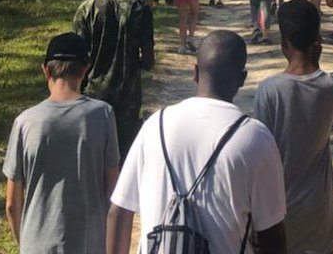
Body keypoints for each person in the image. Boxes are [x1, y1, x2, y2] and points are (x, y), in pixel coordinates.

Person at [107, 31, 288, 254]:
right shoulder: (255, 138)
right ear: (242, 79)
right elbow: (271, 233)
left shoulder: (155, 126)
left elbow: (119, 211)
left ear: (195, 72)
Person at [3, 32, 119, 254]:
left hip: (37, 245)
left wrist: (25, 243)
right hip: (89, 244)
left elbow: (11, 203)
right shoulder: (103, 115)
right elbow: (113, 190)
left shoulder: (25, 122)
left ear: (45, 70)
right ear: (85, 70)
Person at [255, 0, 333, 254]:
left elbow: (259, 149)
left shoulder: (269, 90)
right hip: (320, 210)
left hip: (279, 210)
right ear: (317, 41)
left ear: (283, 43)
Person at [73, 0, 155, 159]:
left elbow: (77, 60)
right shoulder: (140, 9)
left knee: (94, 159)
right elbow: (148, 61)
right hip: (128, 99)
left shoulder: (86, 9)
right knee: (124, 160)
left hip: (93, 97)